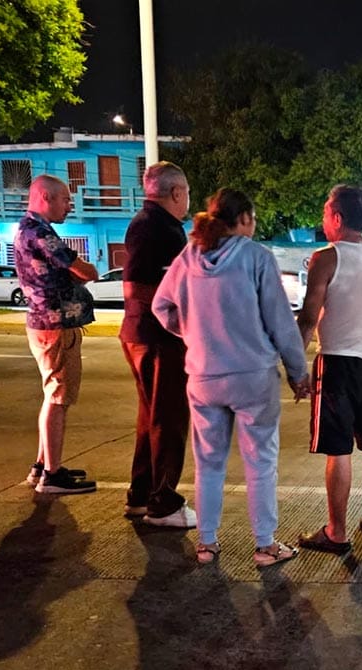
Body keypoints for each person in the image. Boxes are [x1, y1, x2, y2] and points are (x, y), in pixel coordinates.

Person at [152, 188, 310, 567]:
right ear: (242, 219)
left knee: (208, 463)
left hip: (203, 376)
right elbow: (280, 321)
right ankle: (265, 545)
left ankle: (206, 543)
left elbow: (162, 307)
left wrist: (192, 333)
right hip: (253, 377)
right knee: (260, 462)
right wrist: (297, 371)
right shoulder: (257, 257)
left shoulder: (188, 257)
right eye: (252, 220)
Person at [296, 184, 362, 554]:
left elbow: (309, 318)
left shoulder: (326, 257)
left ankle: (336, 532)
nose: (323, 220)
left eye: (326, 213)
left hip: (338, 364)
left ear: (337, 218)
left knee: (338, 450)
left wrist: (296, 366)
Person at [119, 162, 195, 527]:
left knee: (151, 418)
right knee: (168, 418)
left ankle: (141, 493)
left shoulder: (150, 224)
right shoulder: (158, 228)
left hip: (144, 334)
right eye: (187, 193)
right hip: (157, 337)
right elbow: (137, 287)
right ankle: (163, 502)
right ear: (177, 192)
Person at [14, 174, 99, 494]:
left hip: (45, 324)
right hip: (55, 326)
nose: (69, 205)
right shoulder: (41, 233)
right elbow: (83, 270)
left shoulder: (27, 229)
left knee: (53, 396)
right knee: (58, 399)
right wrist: (88, 271)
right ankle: (51, 474)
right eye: (65, 199)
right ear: (45, 198)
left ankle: (43, 465)